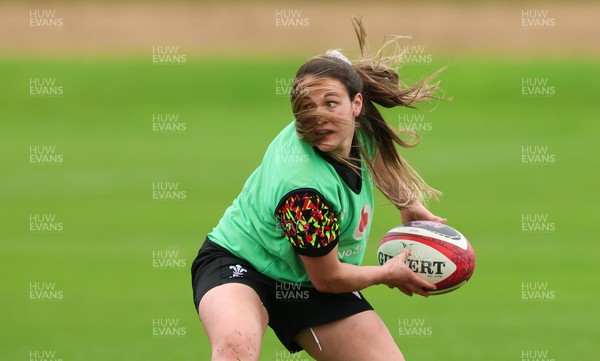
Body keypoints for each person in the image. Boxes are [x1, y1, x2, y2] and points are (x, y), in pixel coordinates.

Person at [191, 19, 446, 361]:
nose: (319, 117)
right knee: (234, 349)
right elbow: (328, 278)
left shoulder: (353, 122)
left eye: (330, 103)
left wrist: (408, 203)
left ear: (358, 104)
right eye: (307, 108)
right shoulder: (303, 191)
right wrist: (387, 273)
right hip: (242, 264)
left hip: (310, 286)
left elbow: (371, 148)